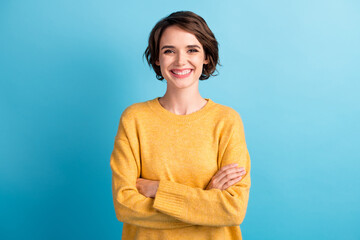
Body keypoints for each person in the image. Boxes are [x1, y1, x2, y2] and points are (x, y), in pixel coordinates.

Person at [110, 10, 251, 240]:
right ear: (157, 58)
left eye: (192, 50)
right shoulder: (134, 119)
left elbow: (232, 210)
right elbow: (125, 206)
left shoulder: (227, 121)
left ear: (206, 56)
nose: (180, 60)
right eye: (169, 51)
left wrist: (158, 190)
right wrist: (204, 204)